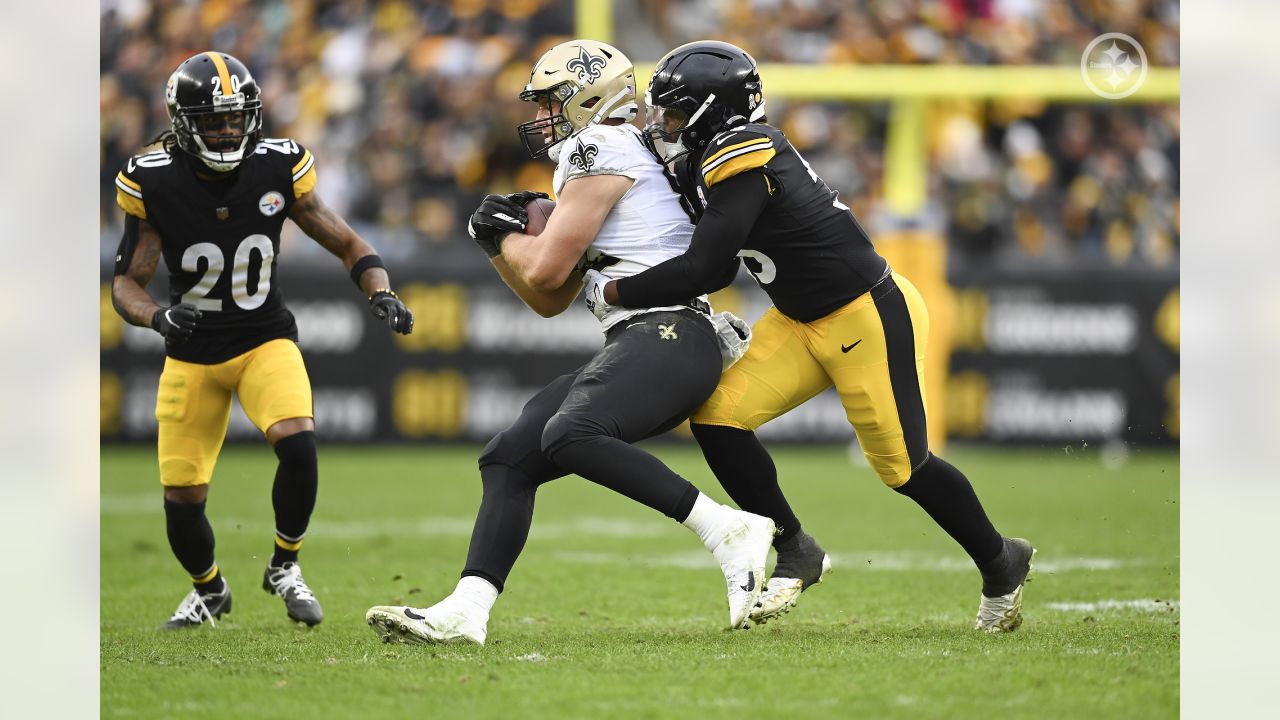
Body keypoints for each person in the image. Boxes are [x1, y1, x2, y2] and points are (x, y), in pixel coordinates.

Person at [598, 41, 1036, 633]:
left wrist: (615, 292)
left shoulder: (743, 151)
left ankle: (1000, 560)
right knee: (719, 416)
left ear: (711, 111)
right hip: (799, 320)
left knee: (904, 468)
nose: (665, 126)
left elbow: (708, 268)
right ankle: (796, 547)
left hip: (865, 315)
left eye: (675, 113)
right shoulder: (709, 158)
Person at [365, 39, 773, 646]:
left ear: (589, 94)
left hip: (669, 332)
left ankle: (726, 529)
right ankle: (467, 611)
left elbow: (547, 272)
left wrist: (503, 237)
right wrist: (496, 244)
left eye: (552, 99)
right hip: (653, 336)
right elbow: (548, 299)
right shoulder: (614, 148)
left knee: (572, 434)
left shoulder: (599, 144)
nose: (540, 115)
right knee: (510, 456)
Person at [111, 51, 415, 629]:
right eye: (213, 118)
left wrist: (380, 292)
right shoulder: (153, 178)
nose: (227, 128)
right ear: (182, 121)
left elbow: (351, 244)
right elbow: (127, 281)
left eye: (235, 116)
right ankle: (209, 590)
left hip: (263, 338)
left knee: (297, 439)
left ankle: (285, 564)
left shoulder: (280, 166)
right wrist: (157, 318)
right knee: (182, 496)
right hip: (192, 353)